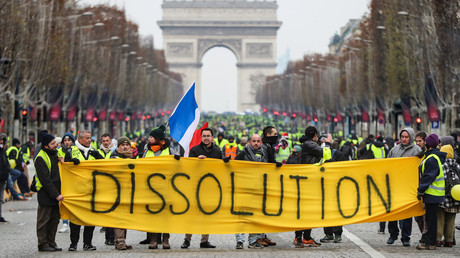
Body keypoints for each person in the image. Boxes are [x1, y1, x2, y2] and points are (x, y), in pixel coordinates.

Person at [234, 134, 277, 249]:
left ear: (261, 142)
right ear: (250, 142)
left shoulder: (265, 153)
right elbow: (233, 165)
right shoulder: (243, 154)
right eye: (254, 141)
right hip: (245, 189)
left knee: (255, 216)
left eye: (258, 141)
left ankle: (253, 240)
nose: (256, 143)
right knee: (242, 216)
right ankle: (239, 240)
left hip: (259, 189)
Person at [181, 128, 220, 249]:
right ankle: (187, 240)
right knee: (192, 215)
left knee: (206, 216)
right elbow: (189, 168)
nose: (206, 138)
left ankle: (204, 240)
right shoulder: (195, 150)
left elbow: (220, 169)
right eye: (204, 136)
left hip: (209, 188)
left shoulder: (217, 151)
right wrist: (197, 161)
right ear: (201, 137)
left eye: (208, 136)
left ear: (212, 137)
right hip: (195, 187)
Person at [65, 130, 104, 251]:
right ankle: (73, 244)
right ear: (80, 139)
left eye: (90, 138)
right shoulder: (71, 151)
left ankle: (88, 243)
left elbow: (106, 165)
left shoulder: (93, 151)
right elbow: (65, 169)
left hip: (91, 190)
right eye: (87, 138)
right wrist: (71, 163)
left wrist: (99, 157)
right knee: (75, 219)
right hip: (76, 191)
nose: (89, 140)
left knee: (90, 218)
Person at [295, 126, 332, 247]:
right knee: (306, 211)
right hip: (309, 181)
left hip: (309, 180)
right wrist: (327, 145)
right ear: (315, 135)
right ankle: (301, 237)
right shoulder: (309, 144)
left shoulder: (307, 143)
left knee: (306, 211)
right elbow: (327, 155)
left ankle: (303, 236)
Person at [385, 128, 422, 246]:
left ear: (410, 137)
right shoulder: (394, 150)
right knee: (392, 212)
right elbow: (386, 164)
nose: (404, 139)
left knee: (407, 214)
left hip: (408, 187)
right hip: (395, 186)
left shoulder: (417, 150)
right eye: (402, 137)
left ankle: (406, 237)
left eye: (406, 137)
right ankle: (393, 234)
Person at [140, 125, 172, 249]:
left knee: (165, 215)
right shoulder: (147, 151)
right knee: (152, 215)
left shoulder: (168, 150)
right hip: (150, 188)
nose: (149, 139)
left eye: (152, 137)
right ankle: (153, 240)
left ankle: (165, 239)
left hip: (165, 188)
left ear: (158, 138)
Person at [35, 132, 64, 252]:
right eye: (53, 144)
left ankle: (51, 242)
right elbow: (45, 180)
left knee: (54, 220)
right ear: (46, 146)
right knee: (44, 220)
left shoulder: (53, 154)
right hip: (46, 194)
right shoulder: (40, 158)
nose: (55, 145)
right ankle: (43, 244)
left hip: (56, 192)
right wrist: (56, 195)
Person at [416, 134, 446, 250]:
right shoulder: (432, 157)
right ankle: (430, 242)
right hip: (434, 194)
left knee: (430, 220)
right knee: (430, 219)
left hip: (432, 194)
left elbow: (428, 177)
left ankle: (430, 242)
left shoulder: (432, 158)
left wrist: (420, 191)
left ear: (427, 145)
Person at [110, 136, 134, 251]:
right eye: (122, 145)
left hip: (128, 191)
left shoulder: (132, 157)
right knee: (119, 217)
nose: (125, 147)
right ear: (118, 146)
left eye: (127, 145)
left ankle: (121, 241)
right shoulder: (114, 157)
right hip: (117, 192)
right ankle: (120, 242)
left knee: (125, 217)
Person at [436, 144, 460, 247]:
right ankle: (449, 240)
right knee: (451, 219)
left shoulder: (441, 165)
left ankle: (438, 239)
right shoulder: (457, 166)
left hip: (443, 196)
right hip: (454, 197)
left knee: (440, 218)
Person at [0, 133, 10, 222]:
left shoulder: (3, 150)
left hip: (3, 177)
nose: (1, 142)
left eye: (3, 140)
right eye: (0, 140)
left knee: (1, 198)